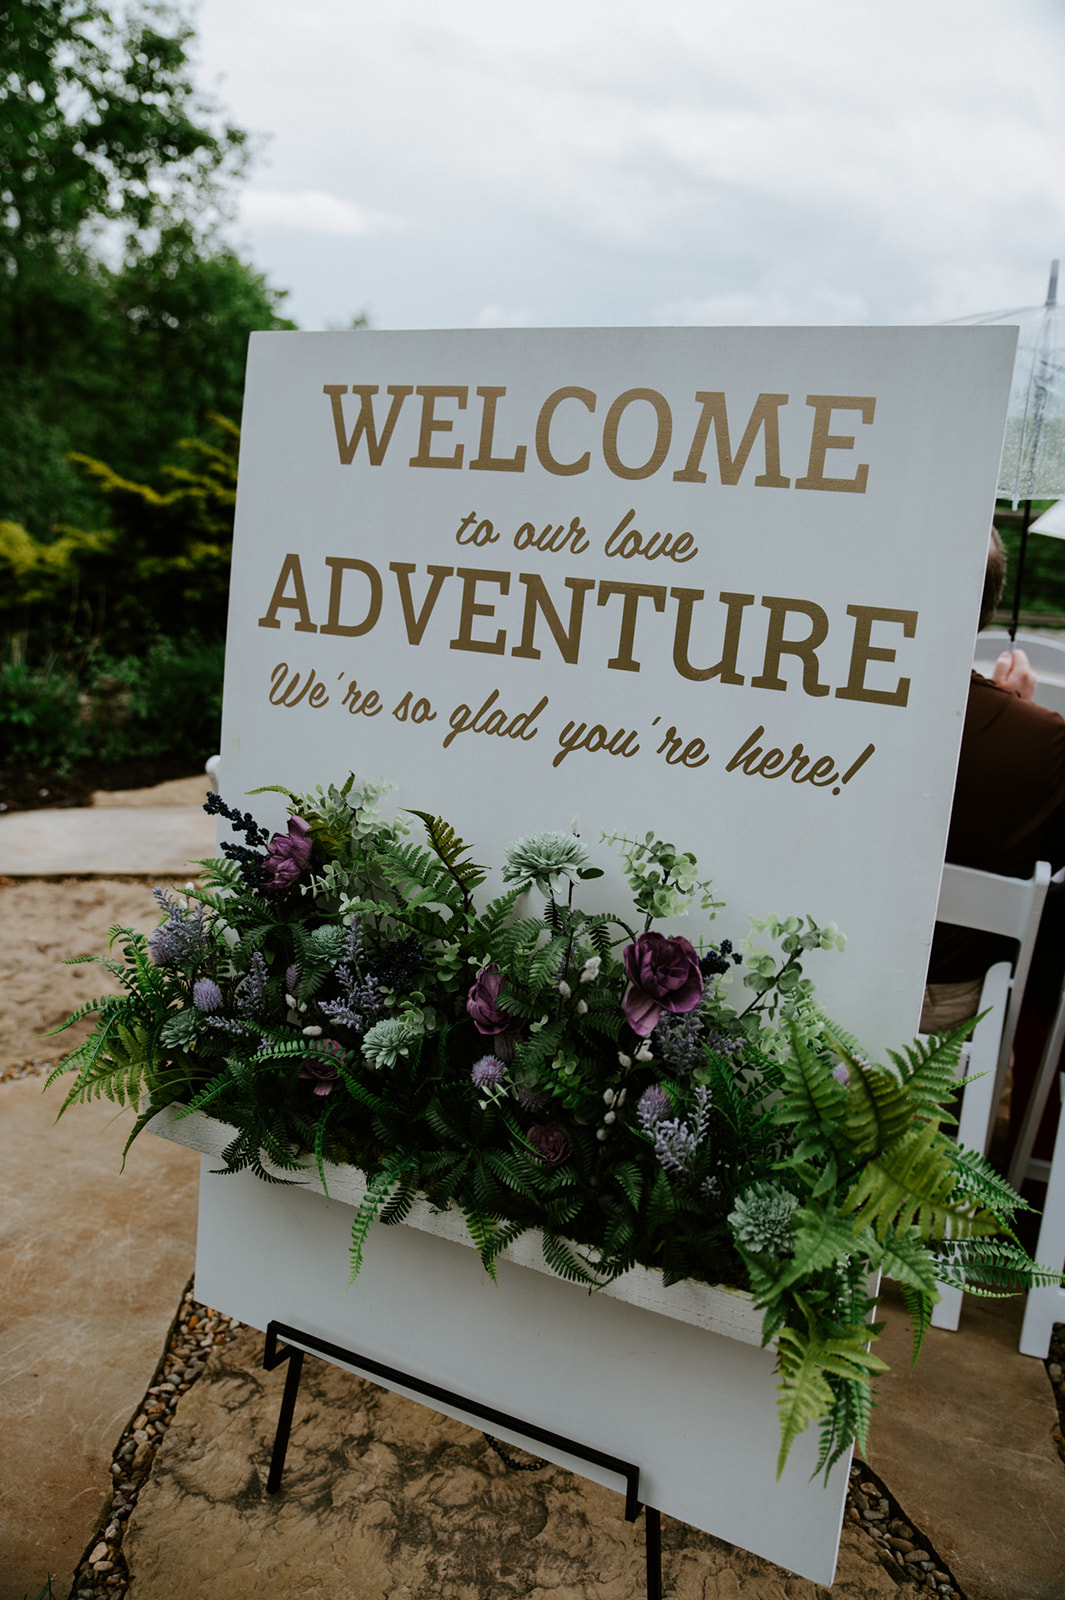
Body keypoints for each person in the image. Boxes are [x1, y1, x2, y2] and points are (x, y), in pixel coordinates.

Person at [922, 527, 1065, 1035]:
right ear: (989, 604)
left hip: (804, 971)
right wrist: (1017, 714)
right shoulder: (1045, 740)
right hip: (945, 1009)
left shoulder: (826, 698)